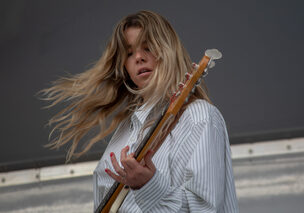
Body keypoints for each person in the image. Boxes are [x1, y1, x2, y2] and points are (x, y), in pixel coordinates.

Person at [42, 10, 239, 212]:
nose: (138, 57)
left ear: (169, 51)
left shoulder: (200, 117)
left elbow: (205, 209)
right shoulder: (126, 130)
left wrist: (149, 185)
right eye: (128, 53)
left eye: (148, 47)